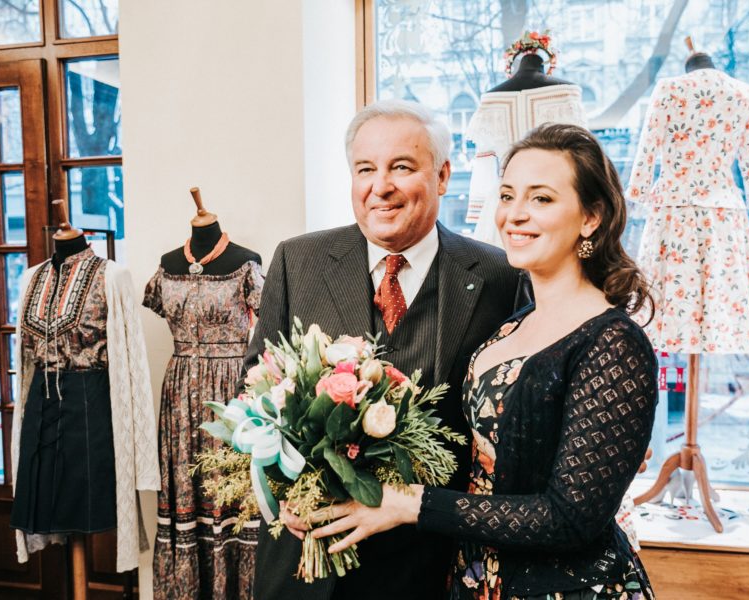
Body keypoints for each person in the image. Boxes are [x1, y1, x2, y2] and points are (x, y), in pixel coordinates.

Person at [308, 124, 658, 600]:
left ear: (591, 217)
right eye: (508, 195)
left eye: (542, 199)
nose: (515, 215)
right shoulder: (514, 323)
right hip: (475, 578)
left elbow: (570, 517)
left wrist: (412, 503)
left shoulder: (614, 342)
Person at [244, 99, 522, 599]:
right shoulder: (297, 261)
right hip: (307, 564)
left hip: (429, 564)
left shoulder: (500, 276)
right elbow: (256, 394)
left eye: (401, 167)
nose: (380, 187)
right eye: (365, 169)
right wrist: (280, 492)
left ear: (441, 176)